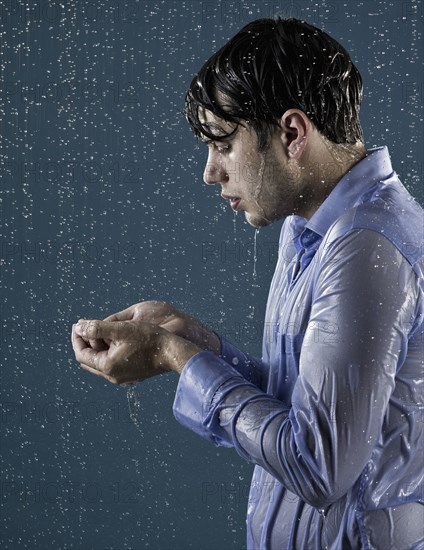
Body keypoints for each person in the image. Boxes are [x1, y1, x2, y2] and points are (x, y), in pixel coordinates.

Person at [71, 17, 424, 549]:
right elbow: (302, 404)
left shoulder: (367, 247)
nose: (210, 172)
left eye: (223, 145)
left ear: (291, 134)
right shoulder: (308, 225)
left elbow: (317, 465)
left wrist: (175, 357)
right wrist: (200, 345)